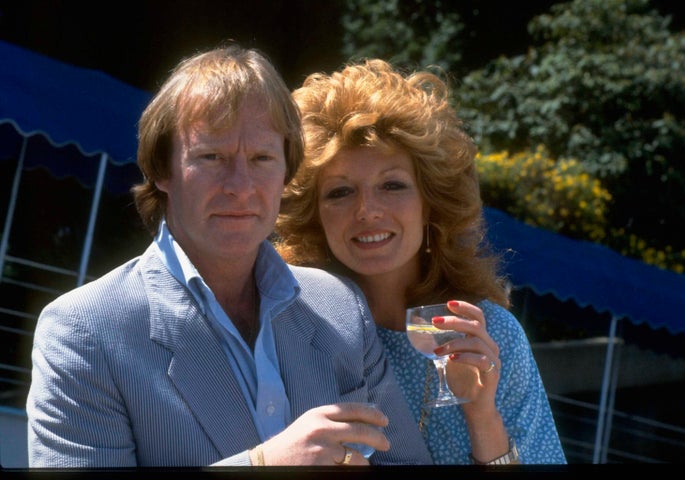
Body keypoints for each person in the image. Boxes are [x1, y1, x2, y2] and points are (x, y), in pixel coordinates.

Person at [25, 44, 433, 467]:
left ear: (286, 173)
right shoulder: (84, 332)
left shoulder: (341, 306)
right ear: (162, 170)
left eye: (261, 158)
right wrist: (261, 465)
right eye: (212, 156)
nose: (241, 185)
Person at [274, 58, 567, 465]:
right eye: (340, 192)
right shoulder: (288, 335)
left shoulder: (491, 336)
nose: (367, 211)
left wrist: (482, 414)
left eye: (392, 185)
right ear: (314, 216)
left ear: (431, 204)